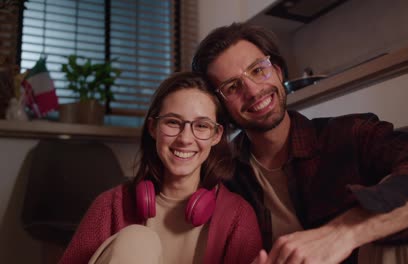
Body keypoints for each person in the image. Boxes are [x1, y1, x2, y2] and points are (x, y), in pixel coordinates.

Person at [192, 22, 408, 263]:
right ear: (221, 108)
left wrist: (344, 232)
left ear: (277, 71)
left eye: (257, 70)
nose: (253, 90)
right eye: (232, 87)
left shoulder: (348, 135)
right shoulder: (225, 173)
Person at [59, 72, 262, 263]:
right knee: (138, 239)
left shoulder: (238, 217)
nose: (185, 139)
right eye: (173, 122)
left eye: (201, 126)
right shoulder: (110, 206)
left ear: (216, 135)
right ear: (153, 128)